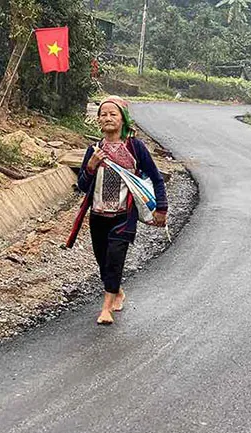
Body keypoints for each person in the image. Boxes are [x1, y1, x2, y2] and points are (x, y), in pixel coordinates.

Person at [77, 96, 168, 325]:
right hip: (98, 216)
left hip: (124, 216)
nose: (108, 118)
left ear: (123, 119)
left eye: (113, 114)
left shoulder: (135, 148)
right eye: (103, 114)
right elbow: (82, 185)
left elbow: (156, 178)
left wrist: (162, 209)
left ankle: (106, 308)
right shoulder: (94, 150)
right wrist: (90, 167)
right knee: (102, 260)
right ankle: (116, 291)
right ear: (98, 120)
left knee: (115, 258)